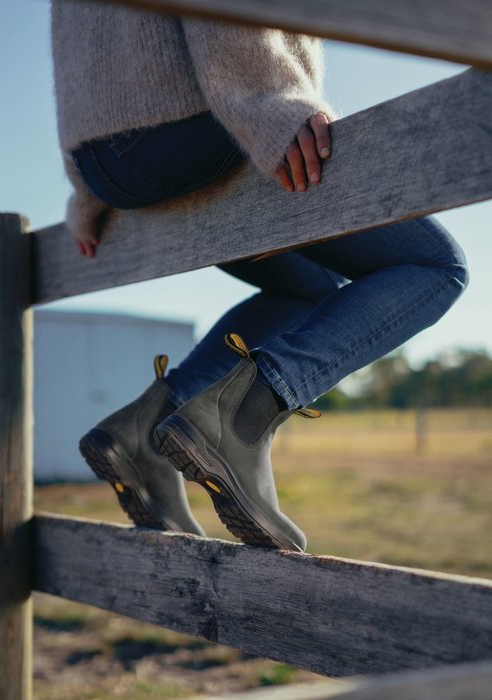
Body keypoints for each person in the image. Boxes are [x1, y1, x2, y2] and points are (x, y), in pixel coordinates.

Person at [51, 2, 468, 552]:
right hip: (202, 119)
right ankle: (245, 414)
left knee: (309, 290)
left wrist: (88, 191)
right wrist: (272, 103)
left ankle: (145, 430)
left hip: (110, 163)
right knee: (436, 266)